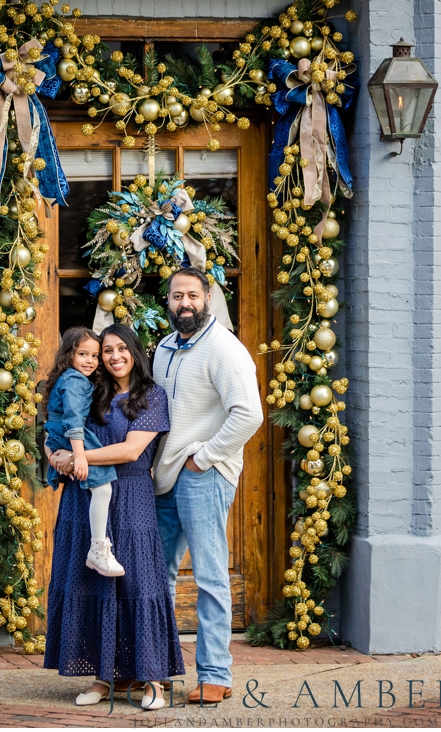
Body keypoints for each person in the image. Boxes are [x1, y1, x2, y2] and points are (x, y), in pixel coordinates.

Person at [43, 323, 184, 712]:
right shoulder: (91, 389)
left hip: (132, 495)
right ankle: (104, 677)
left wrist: (78, 458)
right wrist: (54, 453)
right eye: (107, 350)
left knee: (139, 582)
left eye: (122, 348)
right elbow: (59, 422)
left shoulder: (152, 395)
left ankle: (152, 678)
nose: (114, 356)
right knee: (95, 584)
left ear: (135, 352)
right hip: (84, 496)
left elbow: (130, 450)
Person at [153, 266, 263, 705]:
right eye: (177, 296)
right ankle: (156, 668)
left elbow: (249, 414)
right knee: (155, 573)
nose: (185, 303)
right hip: (164, 475)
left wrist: (205, 457)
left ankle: (215, 674)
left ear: (208, 298)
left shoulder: (224, 348)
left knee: (210, 575)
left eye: (192, 295)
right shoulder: (164, 348)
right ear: (168, 301)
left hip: (204, 474)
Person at [41, 327, 123, 577]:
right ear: (69, 355)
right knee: (103, 487)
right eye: (83, 354)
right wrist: (79, 456)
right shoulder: (75, 380)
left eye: (95, 356)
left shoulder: (68, 378)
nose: (90, 361)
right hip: (72, 437)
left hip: (61, 436)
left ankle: (97, 549)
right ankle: (98, 549)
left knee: (101, 489)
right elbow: (74, 420)